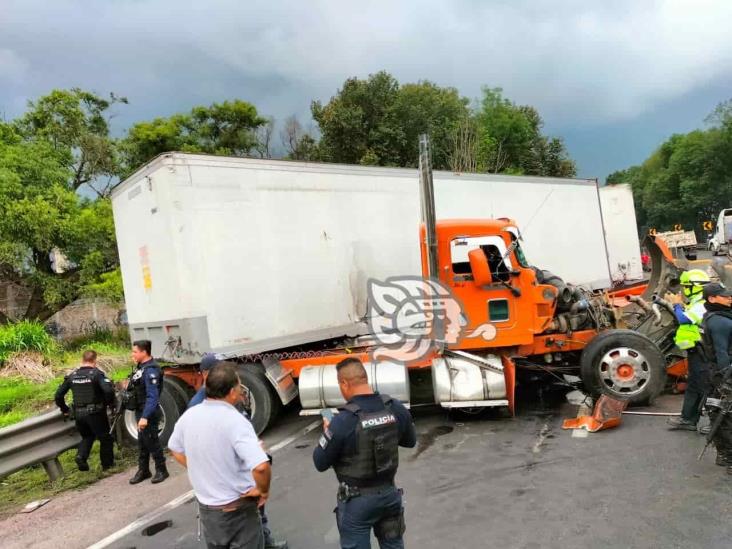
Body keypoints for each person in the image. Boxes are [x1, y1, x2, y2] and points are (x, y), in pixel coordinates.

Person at [313, 357, 417, 549]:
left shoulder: (343, 421)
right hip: (389, 494)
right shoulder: (395, 407)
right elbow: (410, 442)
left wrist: (327, 432)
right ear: (364, 378)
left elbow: (320, 462)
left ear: (344, 383)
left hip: (357, 503)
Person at [188, 355, 288, 549]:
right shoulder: (198, 406)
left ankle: (265, 541)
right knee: (241, 525)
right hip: (230, 484)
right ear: (207, 374)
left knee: (257, 512)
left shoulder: (229, 394)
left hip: (246, 467)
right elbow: (188, 447)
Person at [169, 362, 272, 549]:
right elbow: (261, 466)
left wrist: (200, 468)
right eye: (239, 386)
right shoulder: (235, 421)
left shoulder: (189, 416)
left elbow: (175, 449)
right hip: (238, 510)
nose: (241, 390)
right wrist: (262, 490)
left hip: (209, 512)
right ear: (232, 392)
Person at [54, 350, 115, 471]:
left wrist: (65, 409)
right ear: (95, 361)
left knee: (87, 437)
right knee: (105, 438)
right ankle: (107, 466)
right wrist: (108, 403)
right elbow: (108, 391)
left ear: (82, 360)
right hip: (95, 413)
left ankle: (81, 456)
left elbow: (58, 396)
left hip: (79, 414)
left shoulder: (72, 375)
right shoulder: (97, 374)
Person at [667, 269, 711, 431]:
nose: (684, 290)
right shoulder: (695, 302)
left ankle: (715, 424)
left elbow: (684, 319)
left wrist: (677, 305)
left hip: (702, 353)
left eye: (686, 287)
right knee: (693, 385)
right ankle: (688, 419)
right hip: (694, 352)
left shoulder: (701, 304)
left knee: (705, 387)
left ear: (695, 287)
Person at [699, 283, 732, 470]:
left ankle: (724, 454)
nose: (729, 298)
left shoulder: (713, 317)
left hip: (714, 373)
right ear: (711, 299)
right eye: (724, 296)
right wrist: (726, 381)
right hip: (724, 374)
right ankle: (728, 457)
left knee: (720, 414)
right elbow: (722, 353)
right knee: (726, 416)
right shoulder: (720, 322)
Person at [128, 339, 169, 484]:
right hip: (140, 410)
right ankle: (143, 470)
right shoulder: (141, 367)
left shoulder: (151, 370)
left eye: (135, 351)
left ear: (144, 352)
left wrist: (145, 417)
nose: (132, 354)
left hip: (148, 411)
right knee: (142, 443)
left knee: (152, 441)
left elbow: (153, 396)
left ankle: (161, 469)